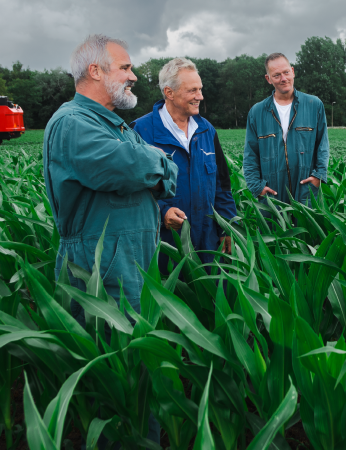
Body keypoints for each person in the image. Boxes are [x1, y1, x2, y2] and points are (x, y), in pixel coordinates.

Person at [43, 34, 178, 316]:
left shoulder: (118, 127)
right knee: (110, 351)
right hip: (99, 269)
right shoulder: (72, 122)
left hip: (132, 263)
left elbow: (169, 173)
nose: (134, 76)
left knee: (138, 350)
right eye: (125, 68)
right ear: (95, 71)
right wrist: (155, 160)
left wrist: (153, 163)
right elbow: (127, 169)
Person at [132, 58, 237, 270]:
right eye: (192, 91)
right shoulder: (141, 132)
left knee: (211, 298)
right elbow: (133, 189)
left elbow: (222, 184)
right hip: (164, 243)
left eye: (200, 89)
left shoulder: (207, 130)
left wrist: (228, 226)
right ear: (169, 93)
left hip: (208, 241)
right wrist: (163, 212)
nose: (200, 96)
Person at [243, 53, 329, 206]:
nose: (283, 79)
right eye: (276, 75)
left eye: (286, 72)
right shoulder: (257, 112)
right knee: (273, 229)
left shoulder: (313, 104)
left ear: (293, 71)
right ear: (268, 79)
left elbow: (323, 144)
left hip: (306, 190)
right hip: (272, 193)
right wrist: (257, 187)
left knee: (307, 229)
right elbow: (250, 154)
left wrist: (319, 176)